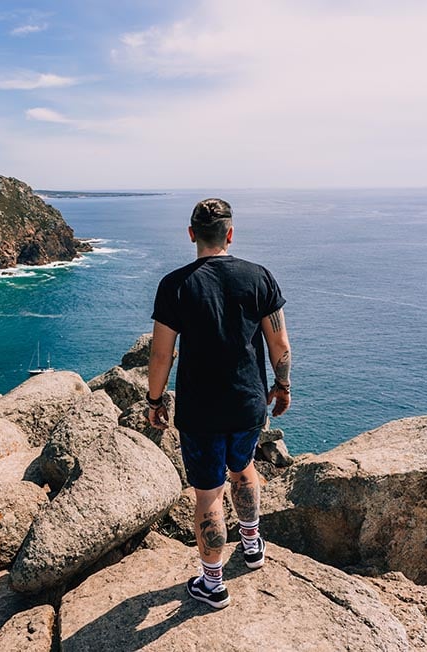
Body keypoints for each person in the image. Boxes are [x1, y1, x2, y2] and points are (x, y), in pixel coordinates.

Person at [147, 198, 292, 609]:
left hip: (200, 410)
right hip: (248, 404)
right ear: (230, 234)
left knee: (208, 492)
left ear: (191, 235)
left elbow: (161, 356)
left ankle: (213, 583)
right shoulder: (259, 277)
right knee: (244, 467)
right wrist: (282, 386)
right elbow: (279, 344)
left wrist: (154, 400)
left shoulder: (175, 285)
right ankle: (251, 546)